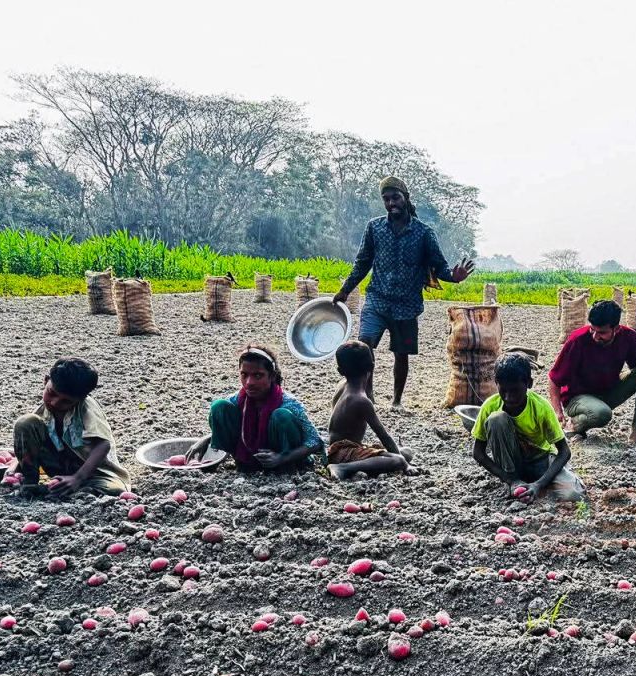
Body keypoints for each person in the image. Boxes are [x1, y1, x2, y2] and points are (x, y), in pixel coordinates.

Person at [332, 175, 476, 408]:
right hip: (377, 299)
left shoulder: (424, 233)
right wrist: (345, 290)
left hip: (407, 306)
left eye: (395, 198)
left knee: (401, 354)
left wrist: (453, 277)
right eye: (386, 199)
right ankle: (367, 397)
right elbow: (363, 262)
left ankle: (397, 400)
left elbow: (439, 266)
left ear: (406, 198)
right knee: (364, 345)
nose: (391, 203)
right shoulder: (374, 227)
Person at [188, 344, 323, 471]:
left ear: (272, 376)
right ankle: (244, 462)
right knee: (219, 407)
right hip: (249, 462)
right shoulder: (238, 400)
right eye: (244, 375)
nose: (249, 383)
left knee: (281, 416)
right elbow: (227, 424)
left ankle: (285, 467)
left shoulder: (289, 403)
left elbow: (315, 440)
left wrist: (282, 458)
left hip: (285, 463)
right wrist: (206, 439)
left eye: (258, 375)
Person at [471, 353, 584, 503]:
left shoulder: (541, 407)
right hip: (512, 467)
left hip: (540, 461)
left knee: (573, 494)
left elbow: (564, 452)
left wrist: (539, 484)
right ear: (496, 383)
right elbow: (478, 453)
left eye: (515, 391)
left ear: (529, 384)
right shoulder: (490, 406)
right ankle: (516, 481)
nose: (509, 397)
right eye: (503, 391)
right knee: (496, 420)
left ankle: (536, 484)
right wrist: (510, 480)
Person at [12, 358, 130, 497]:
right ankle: (30, 483)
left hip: (92, 473)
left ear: (82, 398)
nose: (55, 403)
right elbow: (29, 442)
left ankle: (59, 490)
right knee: (25, 422)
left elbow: (103, 445)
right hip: (59, 468)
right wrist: (13, 468)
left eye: (66, 401)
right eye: (52, 393)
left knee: (115, 489)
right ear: (46, 380)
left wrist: (78, 478)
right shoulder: (43, 409)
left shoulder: (86, 408)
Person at [547, 300, 636, 445]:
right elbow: (554, 379)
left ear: (616, 329)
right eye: (593, 330)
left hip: (608, 392)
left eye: (602, 333)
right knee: (602, 414)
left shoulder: (629, 338)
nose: (595, 336)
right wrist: (557, 412)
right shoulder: (578, 340)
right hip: (578, 398)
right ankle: (572, 425)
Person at [326, 341, 410, 480]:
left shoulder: (342, 385)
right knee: (399, 460)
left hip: (338, 449)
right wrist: (405, 465)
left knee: (406, 452)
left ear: (340, 371)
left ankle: (347, 465)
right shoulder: (361, 400)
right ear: (372, 366)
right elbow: (384, 437)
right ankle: (342, 468)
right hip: (343, 454)